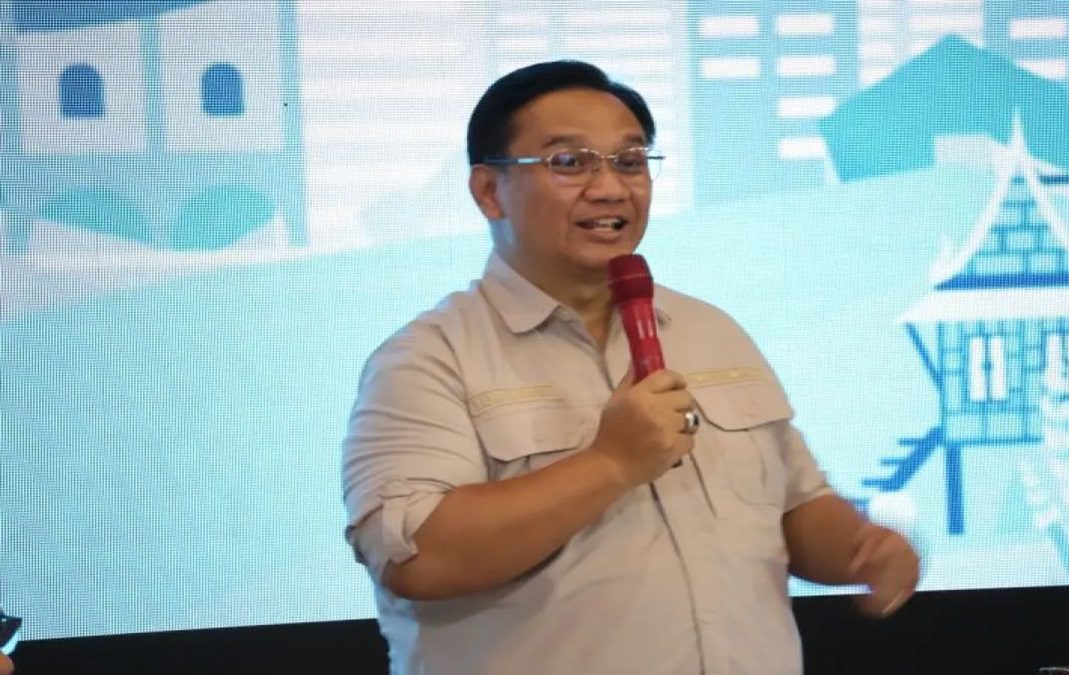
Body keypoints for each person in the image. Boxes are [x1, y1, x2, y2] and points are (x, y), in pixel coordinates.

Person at [342, 60, 920, 675]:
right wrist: (610, 463)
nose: (611, 188)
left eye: (630, 161)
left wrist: (860, 548)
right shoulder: (426, 361)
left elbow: (796, 506)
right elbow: (419, 558)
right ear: (489, 191)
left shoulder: (711, 331)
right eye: (570, 162)